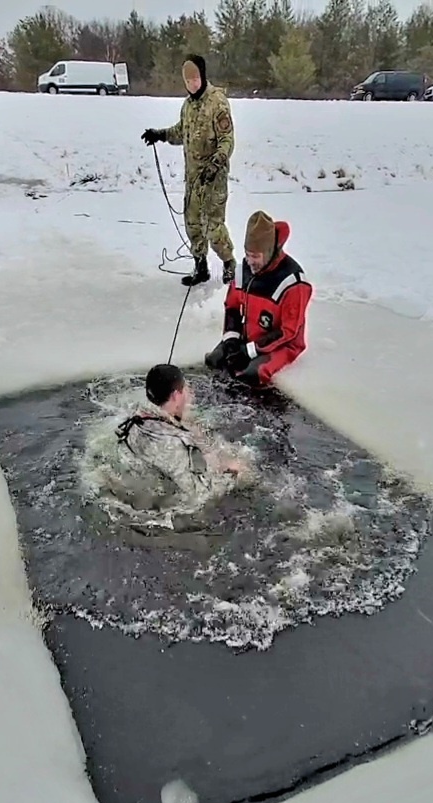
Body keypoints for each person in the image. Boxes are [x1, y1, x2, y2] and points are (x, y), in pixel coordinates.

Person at [141, 55, 236, 288]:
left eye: (195, 78)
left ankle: (229, 264)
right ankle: (200, 266)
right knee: (193, 223)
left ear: (203, 76)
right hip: (194, 179)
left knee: (214, 227)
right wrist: (160, 134)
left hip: (214, 178)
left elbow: (227, 140)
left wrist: (215, 165)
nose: (192, 83)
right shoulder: (187, 106)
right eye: (188, 80)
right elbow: (180, 132)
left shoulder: (217, 102)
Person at [205, 210, 313, 387]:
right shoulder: (244, 270)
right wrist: (231, 341)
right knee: (215, 362)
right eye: (247, 254)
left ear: (269, 252)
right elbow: (231, 307)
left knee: (249, 377)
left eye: (255, 256)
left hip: (282, 345)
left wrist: (249, 352)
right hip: (248, 339)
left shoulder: (293, 283)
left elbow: (288, 331)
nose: (249, 261)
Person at [111, 364, 243, 508]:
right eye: (185, 389)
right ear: (175, 395)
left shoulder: (131, 419)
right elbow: (199, 496)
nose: (189, 393)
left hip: (128, 482)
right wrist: (231, 474)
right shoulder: (176, 444)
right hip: (155, 509)